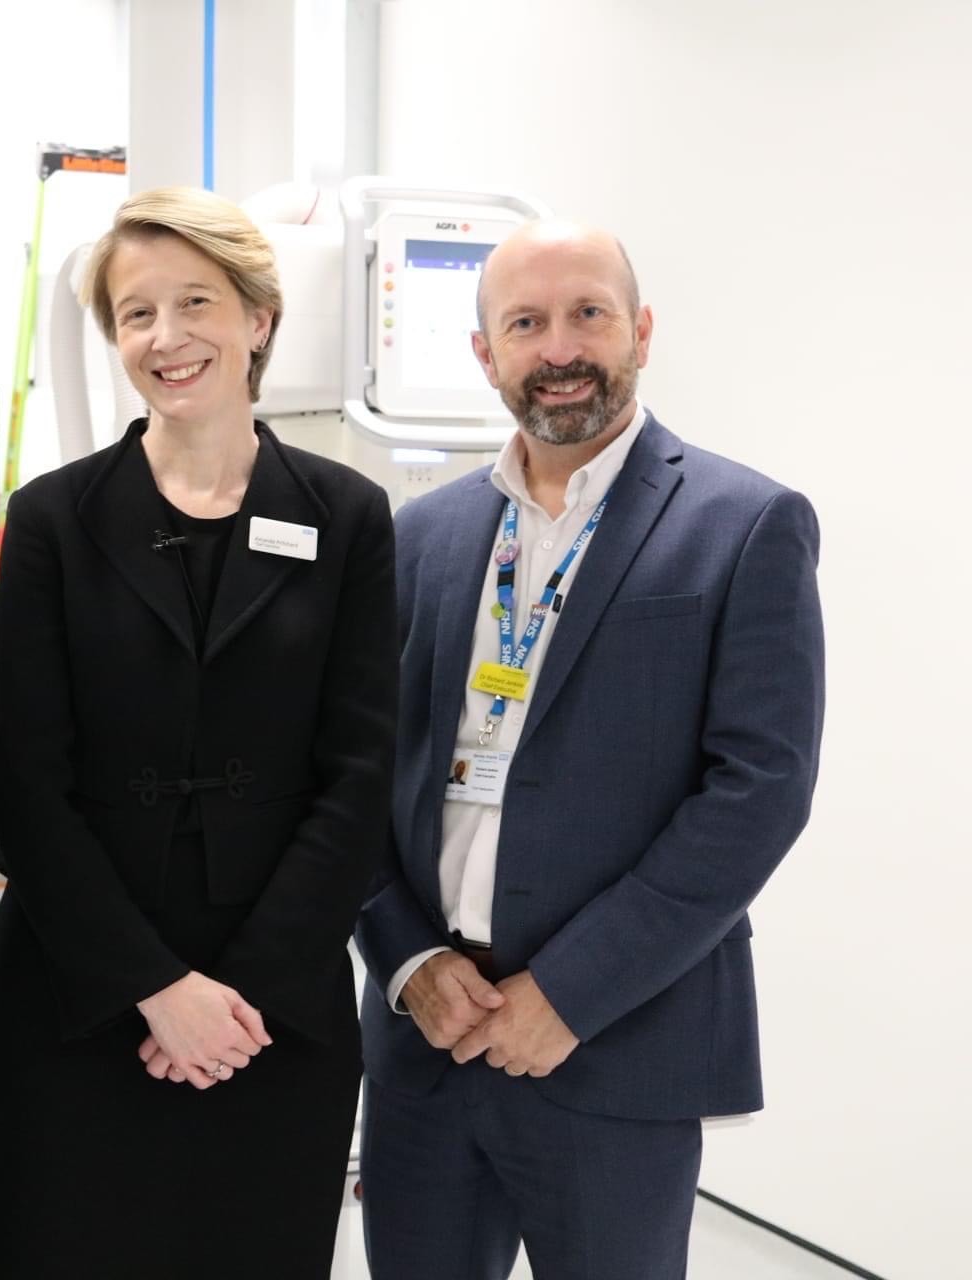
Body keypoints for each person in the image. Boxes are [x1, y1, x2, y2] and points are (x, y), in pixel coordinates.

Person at [355, 220, 825, 1279]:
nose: (559, 347)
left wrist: (567, 990)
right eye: (526, 323)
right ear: (486, 354)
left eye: (588, 315)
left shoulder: (744, 524)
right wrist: (407, 959)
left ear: (641, 331)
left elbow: (760, 789)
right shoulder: (421, 538)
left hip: (612, 1039)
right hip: (429, 1036)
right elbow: (356, 772)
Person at [0, 186, 397, 1277]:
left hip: (275, 1015)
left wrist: (238, 993)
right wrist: (158, 988)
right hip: (79, 1004)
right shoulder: (57, 519)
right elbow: (25, 786)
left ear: (259, 316)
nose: (166, 338)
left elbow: (357, 778)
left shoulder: (346, 516)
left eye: (195, 301)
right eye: (135, 312)